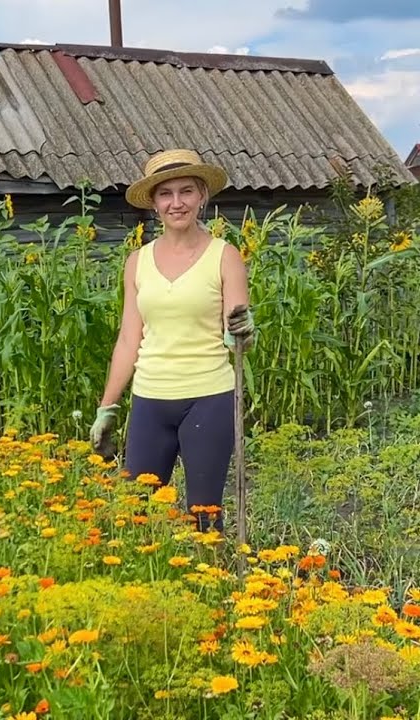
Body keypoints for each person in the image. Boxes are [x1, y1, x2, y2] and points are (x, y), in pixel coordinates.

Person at [89, 149, 254, 532]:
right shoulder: (138, 261)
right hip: (150, 399)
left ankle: (210, 587)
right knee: (138, 513)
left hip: (208, 397)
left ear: (202, 198)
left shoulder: (224, 256)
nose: (176, 203)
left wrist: (243, 332)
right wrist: (107, 407)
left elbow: (236, 332)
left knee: (204, 515)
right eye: (166, 194)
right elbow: (129, 337)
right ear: (154, 203)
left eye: (186, 192)